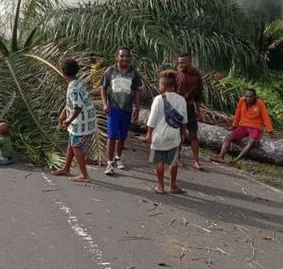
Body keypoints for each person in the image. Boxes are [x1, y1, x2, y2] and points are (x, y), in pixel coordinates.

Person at [52, 57, 97, 182]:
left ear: (63, 72)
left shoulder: (73, 88)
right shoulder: (77, 82)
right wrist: (63, 113)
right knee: (71, 143)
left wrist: (68, 120)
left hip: (82, 121)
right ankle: (66, 168)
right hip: (84, 119)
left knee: (76, 146)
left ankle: (84, 175)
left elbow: (77, 107)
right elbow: (70, 104)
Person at [101, 46, 143, 175]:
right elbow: (103, 88)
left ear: (130, 58)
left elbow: (136, 91)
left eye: (127, 56)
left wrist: (137, 108)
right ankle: (109, 163)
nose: (124, 58)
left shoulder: (133, 73)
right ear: (117, 57)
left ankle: (118, 158)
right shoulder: (110, 71)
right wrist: (105, 104)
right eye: (122, 56)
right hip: (113, 109)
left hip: (127, 109)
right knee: (112, 135)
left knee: (122, 136)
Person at [145, 70, 188, 194]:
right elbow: (184, 121)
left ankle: (160, 186)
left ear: (163, 86)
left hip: (159, 135)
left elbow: (152, 119)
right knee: (173, 161)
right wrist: (183, 134)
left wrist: (149, 133)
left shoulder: (158, 99)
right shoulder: (181, 100)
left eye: (159, 84)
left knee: (159, 161)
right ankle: (173, 186)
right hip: (174, 135)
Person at [211, 88, 275, 163]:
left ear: (255, 97)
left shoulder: (260, 103)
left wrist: (270, 131)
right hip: (243, 126)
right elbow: (237, 114)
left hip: (256, 128)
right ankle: (221, 157)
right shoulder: (242, 100)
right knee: (228, 137)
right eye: (246, 96)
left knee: (251, 142)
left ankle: (235, 160)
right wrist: (234, 126)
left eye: (250, 97)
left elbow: (266, 117)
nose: (248, 98)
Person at [175, 52, 204, 169]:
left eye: (182, 62)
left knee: (193, 134)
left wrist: (199, 110)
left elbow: (198, 94)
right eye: (179, 62)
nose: (180, 64)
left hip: (189, 107)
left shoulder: (196, 75)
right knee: (177, 134)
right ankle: (177, 158)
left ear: (189, 62)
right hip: (177, 107)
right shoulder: (175, 74)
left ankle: (196, 161)